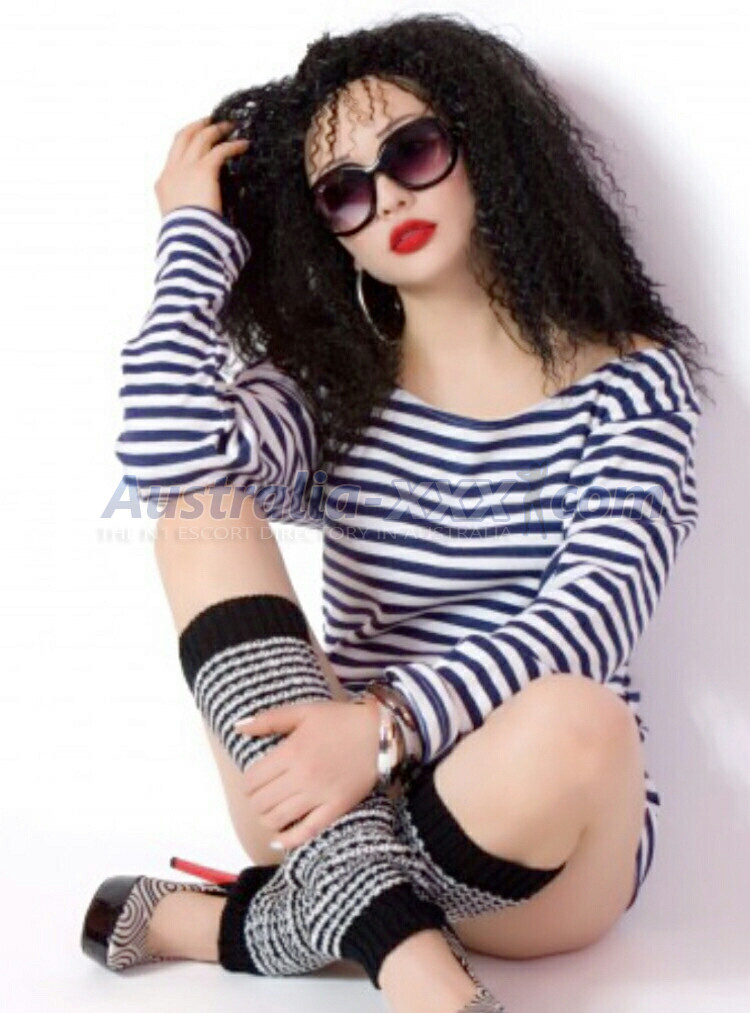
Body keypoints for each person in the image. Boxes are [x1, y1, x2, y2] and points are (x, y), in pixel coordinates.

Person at [81, 12, 712, 1013]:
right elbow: (166, 462)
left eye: (412, 151)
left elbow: (592, 617)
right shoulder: (334, 390)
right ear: (326, 230)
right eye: (343, 191)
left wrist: (383, 727)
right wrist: (192, 242)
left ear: (484, 145)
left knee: (580, 715)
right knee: (198, 517)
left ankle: (246, 922)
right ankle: (418, 965)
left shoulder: (632, 383)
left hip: (534, 829)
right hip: (325, 795)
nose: (388, 199)